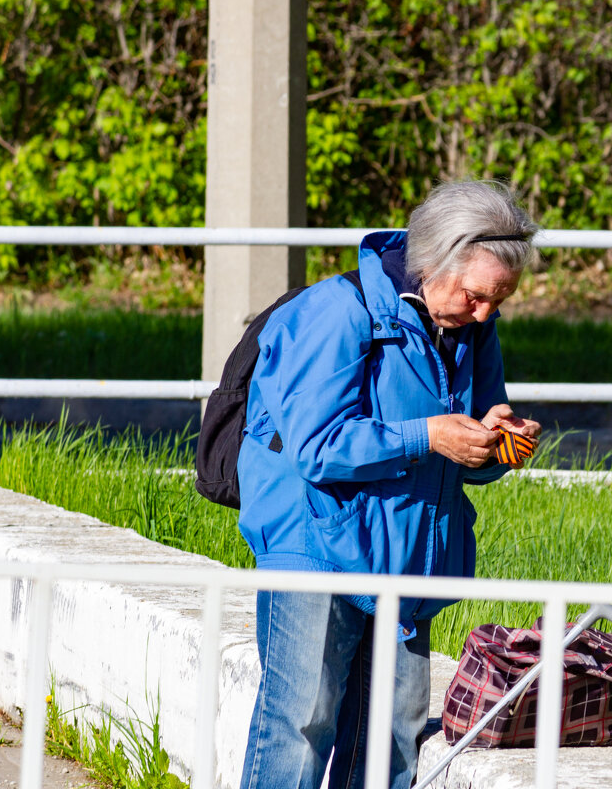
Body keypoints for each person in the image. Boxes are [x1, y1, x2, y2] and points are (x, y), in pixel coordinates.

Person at [236, 180, 543, 789]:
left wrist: (496, 444)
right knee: (300, 724)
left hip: (409, 552)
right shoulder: (334, 313)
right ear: (434, 261)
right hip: (313, 543)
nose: (484, 314)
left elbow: (462, 450)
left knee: (393, 735)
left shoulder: (474, 326)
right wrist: (427, 436)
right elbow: (318, 447)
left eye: (498, 301)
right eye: (477, 296)